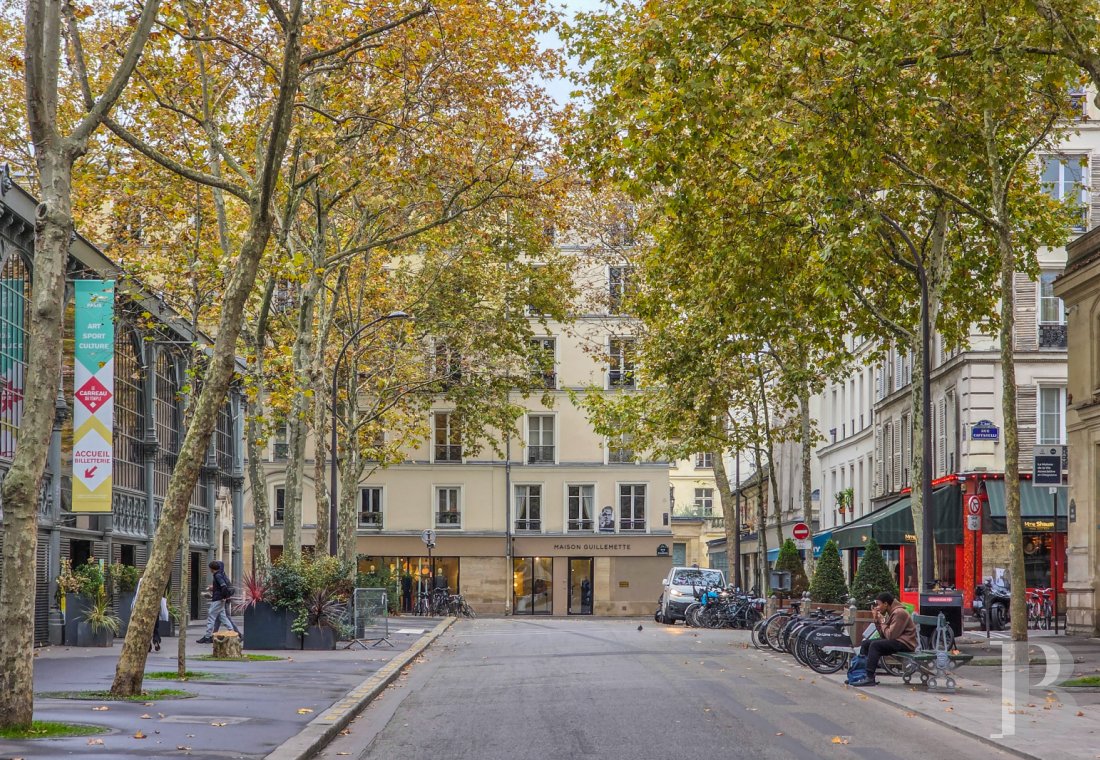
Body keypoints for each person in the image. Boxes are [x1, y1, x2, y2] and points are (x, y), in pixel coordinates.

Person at [850, 591, 917, 687]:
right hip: (897, 640)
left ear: (886, 604)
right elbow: (884, 635)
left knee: (875, 645)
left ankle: (869, 677)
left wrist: (882, 621)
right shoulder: (891, 612)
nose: (877, 607)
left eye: (878, 604)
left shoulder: (899, 613)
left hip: (905, 643)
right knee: (866, 644)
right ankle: (860, 675)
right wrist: (877, 621)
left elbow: (890, 636)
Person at [198, 560, 237, 644]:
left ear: (212, 568)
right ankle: (232, 632)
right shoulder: (221, 574)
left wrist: (224, 596)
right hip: (220, 599)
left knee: (211, 617)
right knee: (223, 617)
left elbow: (223, 586)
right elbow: (222, 586)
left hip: (217, 599)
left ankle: (207, 637)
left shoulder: (217, 575)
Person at [132, 577, 169, 652]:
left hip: (143, 607)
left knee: (144, 627)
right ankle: (156, 639)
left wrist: (134, 605)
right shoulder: (158, 580)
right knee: (155, 626)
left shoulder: (142, 580)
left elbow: (138, 593)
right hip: (154, 607)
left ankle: (147, 644)